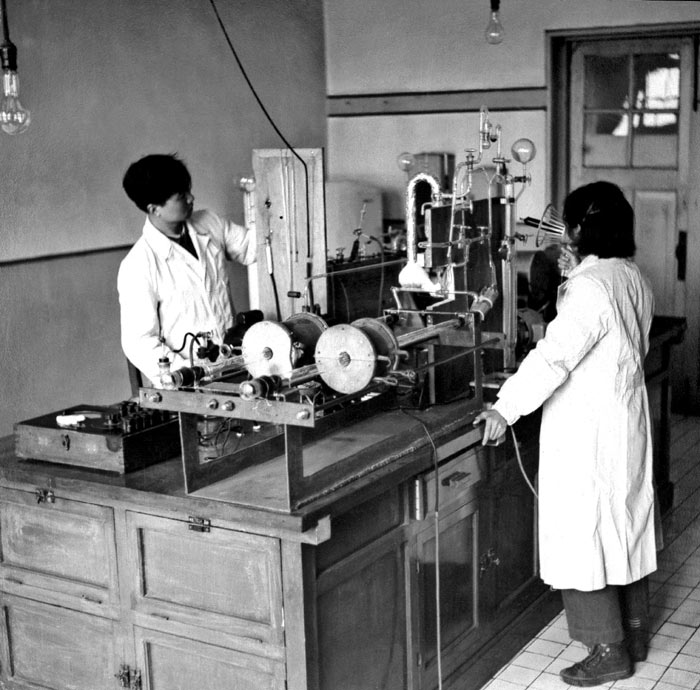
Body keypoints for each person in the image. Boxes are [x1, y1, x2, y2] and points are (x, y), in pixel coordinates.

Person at [474, 181, 656, 687]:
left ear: (578, 229)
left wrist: (504, 408)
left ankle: (607, 649)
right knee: (625, 523)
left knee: (584, 534)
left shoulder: (591, 286)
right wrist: (572, 278)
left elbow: (553, 357)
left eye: (569, 224)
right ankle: (634, 632)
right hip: (623, 422)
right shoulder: (630, 275)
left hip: (589, 430)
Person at [118, 153, 256, 385]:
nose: (191, 198)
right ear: (155, 209)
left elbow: (252, 248)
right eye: (181, 196)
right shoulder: (138, 265)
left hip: (234, 366)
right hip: (190, 381)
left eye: (188, 191)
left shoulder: (209, 223)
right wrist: (187, 373)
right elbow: (139, 342)